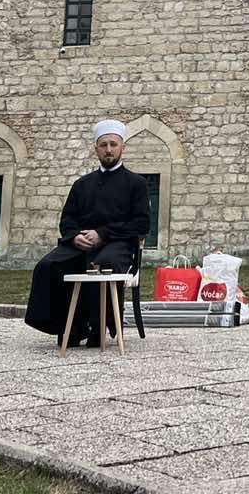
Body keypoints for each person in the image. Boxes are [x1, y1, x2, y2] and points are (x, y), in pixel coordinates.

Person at [24, 119, 150, 346]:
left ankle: (97, 328)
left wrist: (102, 234)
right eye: (104, 145)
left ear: (123, 148)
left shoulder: (137, 183)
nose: (109, 149)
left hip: (118, 244)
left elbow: (141, 225)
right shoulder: (82, 184)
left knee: (101, 266)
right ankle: (67, 328)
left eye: (113, 144)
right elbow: (67, 220)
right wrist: (75, 237)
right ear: (96, 149)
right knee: (48, 265)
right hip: (81, 244)